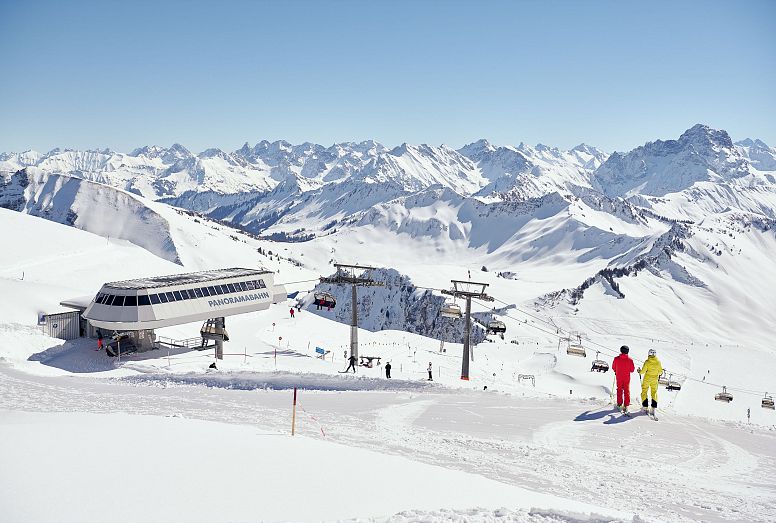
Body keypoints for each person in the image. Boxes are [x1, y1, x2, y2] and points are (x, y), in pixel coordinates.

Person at [639, 348, 663, 415]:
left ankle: (645, 407)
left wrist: (639, 372)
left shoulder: (647, 361)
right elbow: (660, 372)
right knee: (654, 392)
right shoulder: (658, 362)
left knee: (644, 391)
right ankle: (653, 408)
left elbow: (643, 371)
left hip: (647, 378)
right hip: (655, 379)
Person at [611, 345, 635, 413]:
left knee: (619, 390)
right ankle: (626, 405)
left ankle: (619, 404)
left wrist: (616, 370)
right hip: (626, 377)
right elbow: (632, 370)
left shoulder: (616, 359)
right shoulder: (630, 360)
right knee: (626, 390)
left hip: (619, 377)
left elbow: (613, 367)